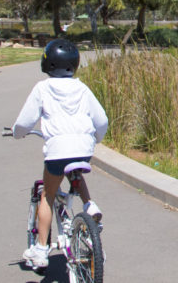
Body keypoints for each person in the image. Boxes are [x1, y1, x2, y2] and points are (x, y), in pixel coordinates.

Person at [12, 39, 108, 270]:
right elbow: (101, 120)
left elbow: (24, 122)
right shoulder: (82, 88)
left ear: (47, 63)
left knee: (48, 194)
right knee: (75, 171)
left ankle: (41, 249)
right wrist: (97, 139)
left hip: (57, 151)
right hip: (83, 148)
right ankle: (89, 205)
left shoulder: (42, 88)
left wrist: (18, 133)